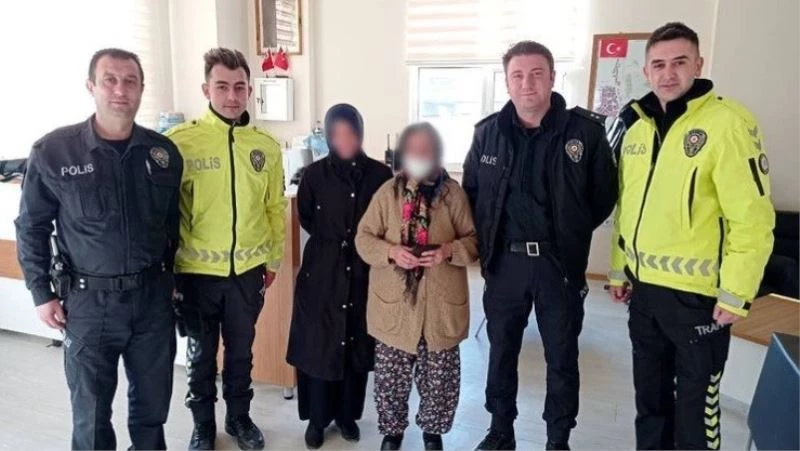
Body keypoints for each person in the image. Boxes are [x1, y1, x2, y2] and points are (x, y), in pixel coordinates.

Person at [607, 22, 774, 450]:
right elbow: (627, 208)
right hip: (645, 294)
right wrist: (619, 271)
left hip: (699, 300)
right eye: (659, 64)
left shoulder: (727, 123)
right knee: (650, 402)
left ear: (698, 65)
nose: (668, 73)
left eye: (679, 62)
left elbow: (752, 218)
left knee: (696, 414)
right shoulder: (636, 128)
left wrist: (736, 293)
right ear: (646, 71)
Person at [15, 48, 182, 450]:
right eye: (110, 80)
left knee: (153, 407)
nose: (120, 90)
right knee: (90, 415)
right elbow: (32, 226)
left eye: (130, 81)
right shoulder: (54, 151)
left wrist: (173, 283)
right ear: (91, 86)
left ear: (141, 89)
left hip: (152, 301)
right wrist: (41, 293)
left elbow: (172, 225)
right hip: (89, 305)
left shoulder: (162, 154)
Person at [462, 41, 618, 450]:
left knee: (562, 357)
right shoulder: (487, 133)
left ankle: (557, 439)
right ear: (507, 82)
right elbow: (472, 193)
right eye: (517, 75)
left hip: (558, 263)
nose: (527, 83)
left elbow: (603, 195)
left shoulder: (584, 133)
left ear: (552, 77)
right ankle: (501, 431)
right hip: (505, 263)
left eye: (536, 74)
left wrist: (572, 231)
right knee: (501, 352)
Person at [165, 48, 286, 451]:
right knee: (200, 357)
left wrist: (273, 259)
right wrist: (167, 272)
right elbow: (164, 214)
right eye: (222, 87)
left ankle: (239, 419)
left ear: (250, 90)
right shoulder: (181, 143)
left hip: (247, 275)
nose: (232, 96)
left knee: (240, 355)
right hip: (196, 277)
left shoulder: (265, 146)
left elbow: (274, 207)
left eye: (239, 87)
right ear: (206, 89)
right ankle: (203, 426)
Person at [356, 122, 479, 451]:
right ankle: (392, 433)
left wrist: (448, 251)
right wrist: (391, 252)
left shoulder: (453, 195)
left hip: (440, 310)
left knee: (440, 381)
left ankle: (432, 434)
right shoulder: (388, 193)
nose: (419, 156)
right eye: (413, 150)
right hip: (394, 309)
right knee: (390, 381)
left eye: (426, 150)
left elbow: (474, 242)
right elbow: (363, 239)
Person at [286, 103, 393, 449]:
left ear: (360, 133)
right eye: (337, 134)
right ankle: (317, 420)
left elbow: (387, 220)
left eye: (351, 133)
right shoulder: (314, 174)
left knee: (355, 346)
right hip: (322, 271)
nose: (344, 140)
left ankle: (347, 417)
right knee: (319, 347)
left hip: (364, 271)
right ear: (329, 137)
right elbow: (306, 217)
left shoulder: (380, 175)